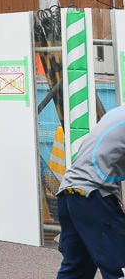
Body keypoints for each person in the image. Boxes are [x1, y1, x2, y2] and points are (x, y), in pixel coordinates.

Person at [53, 103, 125, 278]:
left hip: (69, 192)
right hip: (93, 197)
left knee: (77, 268)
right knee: (120, 266)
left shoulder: (116, 113)